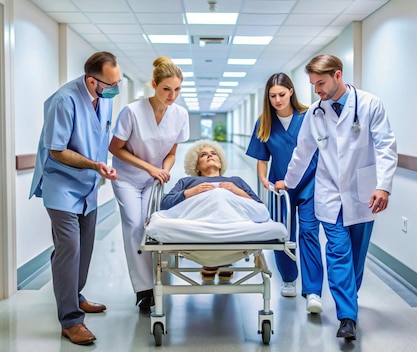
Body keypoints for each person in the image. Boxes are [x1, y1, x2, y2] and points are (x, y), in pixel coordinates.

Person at [275, 54, 398, 340]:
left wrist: (384, 186)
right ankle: (346, 318)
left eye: (321, 83)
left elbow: (386, 147)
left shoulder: (370, 105)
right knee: (337, 252)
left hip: (364, 193)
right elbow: (302, 152)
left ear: (338, 76)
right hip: (329, 193)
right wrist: (288, 183)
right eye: (313, 84)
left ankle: (348, 301)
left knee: (356, 257)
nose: (316, 90)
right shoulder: (315, 114)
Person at [29, 51, 120, 345]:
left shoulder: (104, 99)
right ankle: (70, 320)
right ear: (92, 81)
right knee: (68, 248)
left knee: (85, 249)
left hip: (89, 187)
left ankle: (75, 296)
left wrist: (102, 166)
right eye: (110, 84)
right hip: (62, 188)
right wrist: (95, 165)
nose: (114, 89)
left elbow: (100, 136)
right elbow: (57, 150)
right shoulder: (64, 100)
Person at [109, 56, 189, 312]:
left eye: (177, 89)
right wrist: (150, 167)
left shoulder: (180, 114)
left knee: (150, 226)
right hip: (128, 178)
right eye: (166, 89)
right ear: (154, 84)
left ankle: (157, 280)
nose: (172, 95)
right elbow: (116, 148)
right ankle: (144, 290)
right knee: (133, 225)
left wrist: (164, 170)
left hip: (154, 180)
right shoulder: (132, 111)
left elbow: (172, 152)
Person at [246, 73, 325, 314]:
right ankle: (289, 279)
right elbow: (262, 157)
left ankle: (313, 291)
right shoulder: (264, 122)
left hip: (310, 184)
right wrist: (263, 179)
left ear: (291, 91)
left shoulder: (308, 117)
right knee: (282, 234)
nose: (278, 100)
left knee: (310, 233)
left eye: (281, 94)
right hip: (280, 186)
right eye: (272, 96)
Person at [161, 140, 262, 281]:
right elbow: (165, 204)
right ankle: (220, 260)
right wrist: (191, 192)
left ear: (220, 163)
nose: (210, 156)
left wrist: (237, 191)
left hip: (232, 224)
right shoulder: (186, 182)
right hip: (199, 225)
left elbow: (259, 208)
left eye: (213, 153)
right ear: (196, 166)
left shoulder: (236, 181)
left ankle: (219, 260)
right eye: (203, 155)